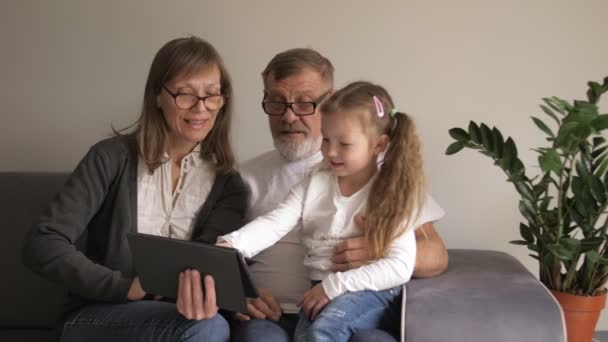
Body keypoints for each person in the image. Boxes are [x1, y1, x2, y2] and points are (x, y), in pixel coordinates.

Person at [22, 36, 248, 342]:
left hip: (180, 321)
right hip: (97, 315)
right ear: (158, 95)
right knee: (208, 329)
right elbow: (43, 244)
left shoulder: (229, 185)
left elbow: (206, 264)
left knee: (211, 325)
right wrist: (124, 286)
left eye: (212, 95)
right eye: (185, 94)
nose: (200, 108)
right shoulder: (110, 157)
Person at [219, 80, 444, 342]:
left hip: (370, 289)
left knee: (324, 332)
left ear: (379, 145)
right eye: (326, 140)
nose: (330, 152)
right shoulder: (315, 180)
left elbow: (399, 267)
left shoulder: (392, 191)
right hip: (321, 290)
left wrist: (333, 286)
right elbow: (275, 223)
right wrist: (231, 245)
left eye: (344, 144)